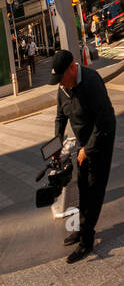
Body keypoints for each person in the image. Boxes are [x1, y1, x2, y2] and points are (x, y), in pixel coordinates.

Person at [51, 50, 115, 263]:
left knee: (94, 188)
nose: (60, 83)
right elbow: (60, 118)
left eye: (61, 78)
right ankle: (81, 228)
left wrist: (87, 150)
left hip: (101, 139)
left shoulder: (91, 82)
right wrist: (56, 146)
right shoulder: (63, 88)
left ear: (72, 68)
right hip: (82, 142)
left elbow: (104, 120)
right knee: (82, 187)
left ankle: (86, 241)